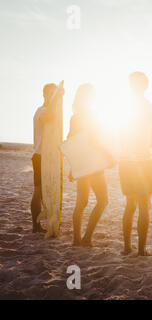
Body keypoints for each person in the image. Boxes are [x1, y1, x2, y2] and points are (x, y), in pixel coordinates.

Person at [69, 83, 110, 247]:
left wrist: (73, 166)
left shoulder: (75, 117)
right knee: (103, 200)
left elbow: (71, 142)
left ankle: (76, 239)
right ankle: (86, 238)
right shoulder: (92, 115)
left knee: (81, 202)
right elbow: (94, 141)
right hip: (93, 162)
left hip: (81, 162)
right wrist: (108, 155)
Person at [119, 72, 152, 256]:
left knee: (130, 205)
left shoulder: (123, 105)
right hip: (141, 161)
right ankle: (141, 250)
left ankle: (127, 247)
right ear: (145, 86)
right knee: (144, 205)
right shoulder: (147, 106)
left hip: (125, 161)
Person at [31, 83, 64, 233]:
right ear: (44, 95)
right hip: (40, 156)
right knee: (38, 191)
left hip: (50, 157)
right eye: (49, 94)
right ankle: (35, 226)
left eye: (53, 94)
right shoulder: (42, 111)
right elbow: (49, 117)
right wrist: (57, 98)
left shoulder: (48, 109)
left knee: (48, 192)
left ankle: (49, 222)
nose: (52, 97)